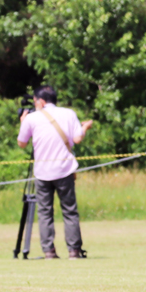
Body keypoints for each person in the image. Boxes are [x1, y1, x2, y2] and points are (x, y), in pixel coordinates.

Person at [17, 86, 94, 259]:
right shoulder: (69, 113)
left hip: (42, 172)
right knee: (70, 211)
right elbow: (77, 138)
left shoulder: (32, 118)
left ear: (41, 101)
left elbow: (22, 143)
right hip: (65, 169)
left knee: (44, 212)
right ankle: (74, 250)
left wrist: (23, 122)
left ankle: (48, 251)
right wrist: (85, 127)